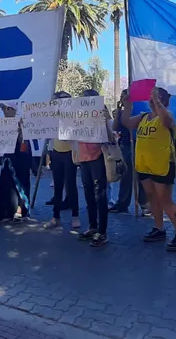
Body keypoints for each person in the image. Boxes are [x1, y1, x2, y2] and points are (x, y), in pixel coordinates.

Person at [120, 87, 176, 251]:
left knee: (165, 200)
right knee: (153, 199)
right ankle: (159, 228)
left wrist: (157, 101)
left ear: (163, 100)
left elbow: (166, 121)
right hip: (145, 165)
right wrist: (127, 104)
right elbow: (127, 122)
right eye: (151, 97)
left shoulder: (167, 116)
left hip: (162, 165)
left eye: (156, 97)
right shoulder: (144, 116)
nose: (151, 99)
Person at [75, 89, 115, 248]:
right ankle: (92, 227)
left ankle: (102, 232)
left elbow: (112, 137)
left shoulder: (102, 114)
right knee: (88, 195)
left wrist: (106, 120)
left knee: (100, 196)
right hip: (83, 159)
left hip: (98, 157)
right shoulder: (77, 115)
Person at [0, 104, 32, 224]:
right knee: (5, 185)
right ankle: (2, 213)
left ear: (13, 110)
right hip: (7, 158)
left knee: (21, 185)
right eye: (3, 109)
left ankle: (21, 212)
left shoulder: (21, 122)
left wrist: (21, 130)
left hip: (20, 158)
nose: (5, 111)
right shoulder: (2, 124)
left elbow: (25, 141)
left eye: (7, 108)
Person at [43, 91, 81, 230]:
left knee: (70, 184)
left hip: (70, 152)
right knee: (57, 186)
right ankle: (56, 217)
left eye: (63, 100)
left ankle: (75, 215)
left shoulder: (74, 115)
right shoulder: (52, 116)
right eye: (57, 100)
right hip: (56, 152)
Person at [111, 89, 148, 215]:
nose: (122, 98)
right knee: (126, 176)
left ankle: (144, 204)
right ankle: (122, 203)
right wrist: (118, 112)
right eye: (121, 96)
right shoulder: (121, 112)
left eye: (124, 96)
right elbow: (115, 128)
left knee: (141, 176)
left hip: (138, 145)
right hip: (125, 146)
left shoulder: (138, 111)